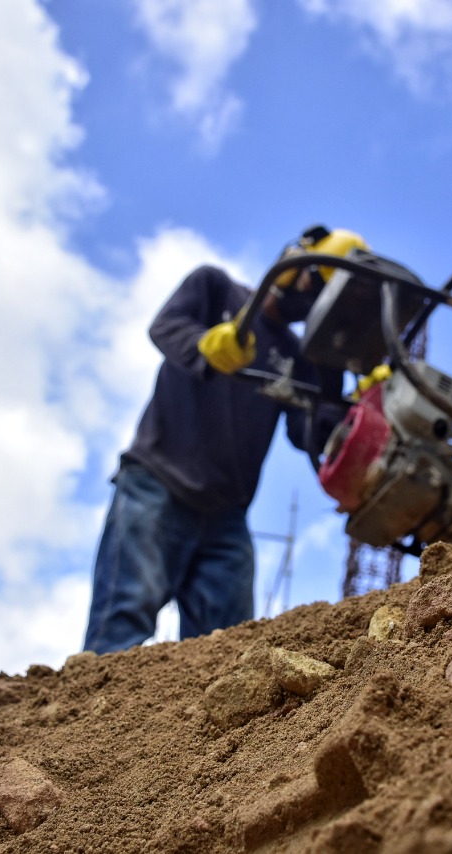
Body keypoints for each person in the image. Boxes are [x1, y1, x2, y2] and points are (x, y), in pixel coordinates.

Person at [82, 226, 368, 654]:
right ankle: (94, 719)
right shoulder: (215, 289)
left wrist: (355, 408)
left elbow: (307, 432)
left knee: (227, 653)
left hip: (227, 517)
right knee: (120, 628)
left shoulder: (299, 357)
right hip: (156, 484)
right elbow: (166, 326)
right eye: (314, 283)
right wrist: (205, 346)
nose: (308, 301)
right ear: (292, 264)